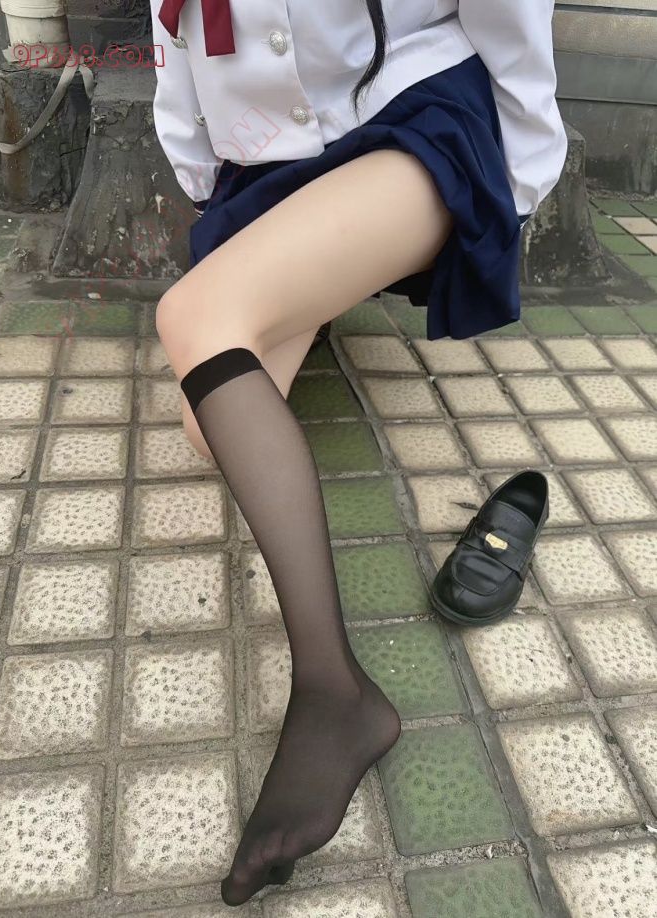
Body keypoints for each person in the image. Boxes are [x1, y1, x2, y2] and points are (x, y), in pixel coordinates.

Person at [150, 0, 567, 906]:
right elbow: (173, 34)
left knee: (192, 317)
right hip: (270, 160)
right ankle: (323, 279)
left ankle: (333, 691)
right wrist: (204, 179)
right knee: (205, 423)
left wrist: (520, 170)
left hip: (415, 114)